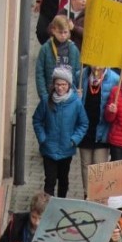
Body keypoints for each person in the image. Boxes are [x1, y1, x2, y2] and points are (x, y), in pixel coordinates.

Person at [32, 65, 89, 197]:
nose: (60, 87)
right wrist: (42, 138)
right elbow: (37, 120)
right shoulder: (46, 101)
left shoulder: (76, 103)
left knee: (63, 180)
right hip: (49, 148)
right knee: (49, 180)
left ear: (69, 85)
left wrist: (74, 139)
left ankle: (61, 203)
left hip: (66, 148)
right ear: (53, 84)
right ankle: (47, 208)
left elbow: (83, 123)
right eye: (58, 84)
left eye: (63, 84)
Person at [78, 65, 120, 196]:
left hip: (102, 130)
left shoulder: (114, 79)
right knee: (86, 165)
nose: (96, 66)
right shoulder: (81, 75)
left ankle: (98, 196)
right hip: (85, 129)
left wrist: (114, 109)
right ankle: (87, 195)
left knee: (99, 166)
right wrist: (76, 97)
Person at [35, 14, 82, 100]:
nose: (63, 35)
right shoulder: (45, 49)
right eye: (60, 32)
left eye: (65, 32)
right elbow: (39, 73)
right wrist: (43, 95)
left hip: (69, 94)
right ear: (53, 30)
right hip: (50, 94)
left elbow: (77, 72)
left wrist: (76, 92)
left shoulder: (74, 49)